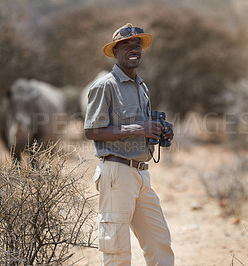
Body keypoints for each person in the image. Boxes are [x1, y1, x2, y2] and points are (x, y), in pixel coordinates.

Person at [84, 23, 175, 265]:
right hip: (116, 173)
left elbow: (142, 127)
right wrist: (139, 128)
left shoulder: (142, 87)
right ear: (115, 52)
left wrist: (160, 131)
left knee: (160, 243)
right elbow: (91, 130)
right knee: (117, 250)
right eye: (126, 45)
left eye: (137, 45)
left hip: (142, 175)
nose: (134, 49)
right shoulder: (105, 86)